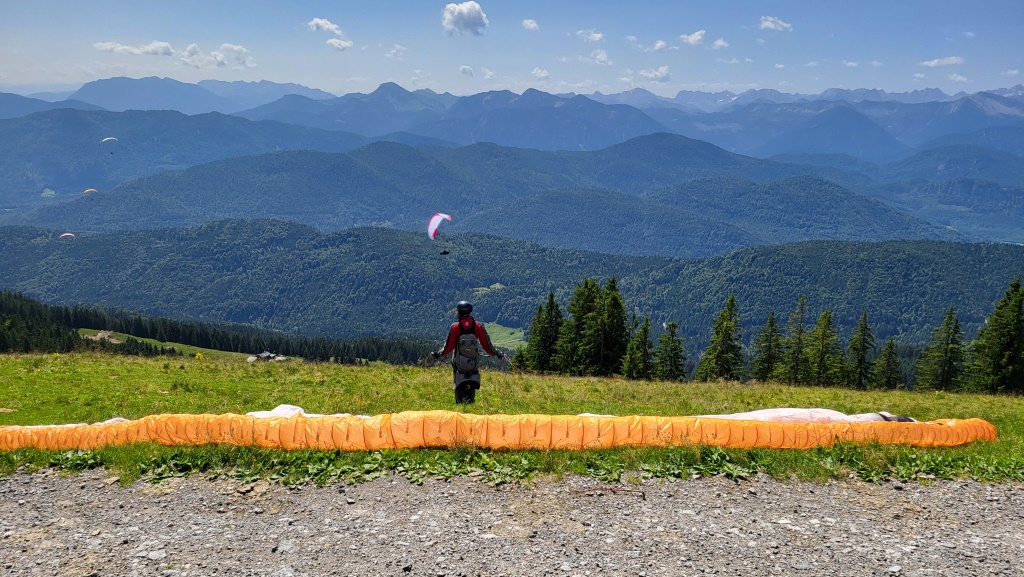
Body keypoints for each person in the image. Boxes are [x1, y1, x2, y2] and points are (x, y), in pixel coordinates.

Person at [431, 300, 505, 404]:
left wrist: (438, 354)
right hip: (473, 365)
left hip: (459, 366)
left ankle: (460, 405)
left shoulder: (455, 327)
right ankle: (470, 405)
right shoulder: (478, 326)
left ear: (460, 312)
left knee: (460, 391)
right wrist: (497, 353)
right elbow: (487, 346)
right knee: (471, 389)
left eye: (457, 311)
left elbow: (448, 346)